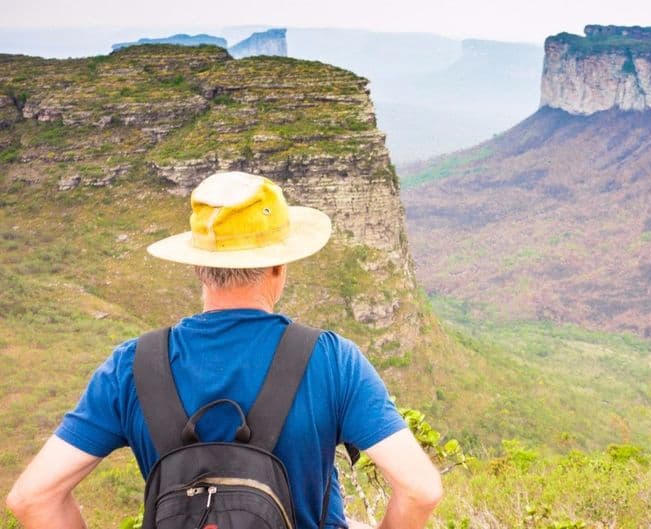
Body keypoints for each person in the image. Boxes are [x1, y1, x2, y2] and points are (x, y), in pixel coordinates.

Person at [5, 171, 442, 529]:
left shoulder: (131, 367)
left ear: (198, 265)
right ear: (279, 265)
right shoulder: (332, 361)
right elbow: (420, 490)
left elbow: (32, 498)